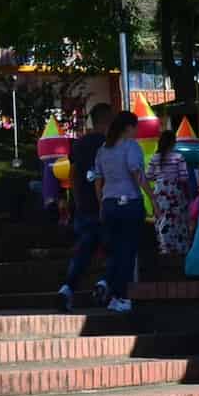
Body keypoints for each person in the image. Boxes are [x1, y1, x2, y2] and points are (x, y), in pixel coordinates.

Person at [85, 107, 148, 314]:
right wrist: (152, 197)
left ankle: (106, 284)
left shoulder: (103, 149)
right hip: (129, 202)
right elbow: (136, 173)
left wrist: (102, 202)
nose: (136, 132)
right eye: (135, 128)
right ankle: (121, 296)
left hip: (110, 202)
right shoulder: (131, 147)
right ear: (128, 128)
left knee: (114, 250)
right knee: (128, 251)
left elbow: (97, 180)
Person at [56, 102, 113, 310]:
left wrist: (76, 200)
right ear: (108, 120)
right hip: (106, 204)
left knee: (83, 250)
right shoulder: (109, 144)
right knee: (116, 248)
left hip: (84, 206)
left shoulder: (79, 144)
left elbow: (72, 173)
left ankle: (68, 288)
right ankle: (105, 283)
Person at [149, 129, 193, 258]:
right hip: (175, 192)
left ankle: (165, 249)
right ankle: (180, 250)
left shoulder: (155, 157)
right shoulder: (178, 157)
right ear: (173, 143)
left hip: (160, 193)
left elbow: (148, 176)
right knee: (178, 221)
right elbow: (184, 177)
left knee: (162, 220)